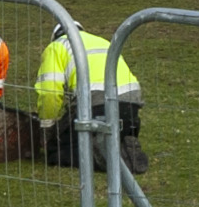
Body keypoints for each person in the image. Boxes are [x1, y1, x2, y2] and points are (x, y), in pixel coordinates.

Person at [34, 24, 147, 174]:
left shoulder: (56, 47)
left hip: (96, 101)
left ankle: (107, 159)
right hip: (130, 103)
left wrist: (48, 127)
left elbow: (49, 92)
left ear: (55, 37)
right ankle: (121, 143)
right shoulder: (102, 41)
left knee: (58, 150)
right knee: (107, 133)